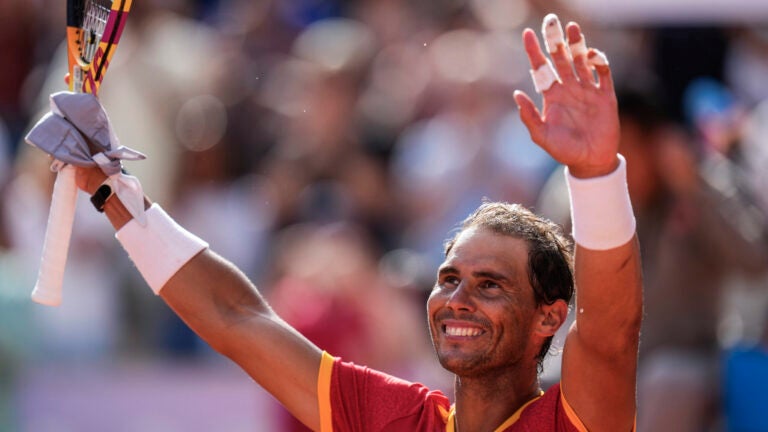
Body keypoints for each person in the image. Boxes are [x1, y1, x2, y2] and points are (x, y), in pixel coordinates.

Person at [27, 15, 642, 431]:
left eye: (490, 285)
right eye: (449, 278)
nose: (456, 299)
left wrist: (594, 174)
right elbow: (238, 319)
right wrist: (112, 192)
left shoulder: (574, 419)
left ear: (550, 317)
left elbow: (613, 333)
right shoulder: (392, 416)